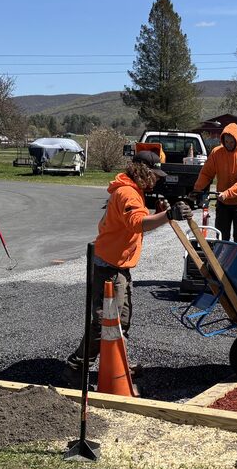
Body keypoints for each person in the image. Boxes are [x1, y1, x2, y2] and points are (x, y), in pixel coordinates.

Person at [65, 150, 191, 382]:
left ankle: (119, 365)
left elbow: (130, 222)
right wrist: (169, 215)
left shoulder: (131, 190)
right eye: (154, 175)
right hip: (110, 266)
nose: (156, 180)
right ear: (142, 171)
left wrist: (160, 213)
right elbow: (136, 224)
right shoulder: (127, 193)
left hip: (117, 264)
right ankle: (77, 367)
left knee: (121, 320)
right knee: (105, 322)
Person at [194, 123, 237, 245]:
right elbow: (206, 173)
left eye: (231, 142)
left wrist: (227, 193)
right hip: (223, 202)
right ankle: (221, 257)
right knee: (221, 237)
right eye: (226, 142)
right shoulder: (216, 153)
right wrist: (197, 189)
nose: (228, 145)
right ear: (223, 140)